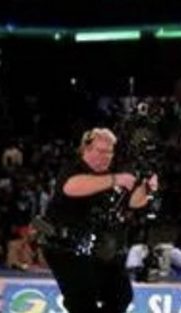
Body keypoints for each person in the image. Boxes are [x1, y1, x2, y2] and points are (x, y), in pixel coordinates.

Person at [41, 128, 158, 313]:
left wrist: (146, 188)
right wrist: (115, 179)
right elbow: (70, 187)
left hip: (98, 247)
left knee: (121, 295)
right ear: (86, 149)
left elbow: (134, 203)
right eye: (101, 151)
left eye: (109, 152)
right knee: (83, 302)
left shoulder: (111, 173)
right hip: (64, 246)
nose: (106, 156)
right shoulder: (73, 167)